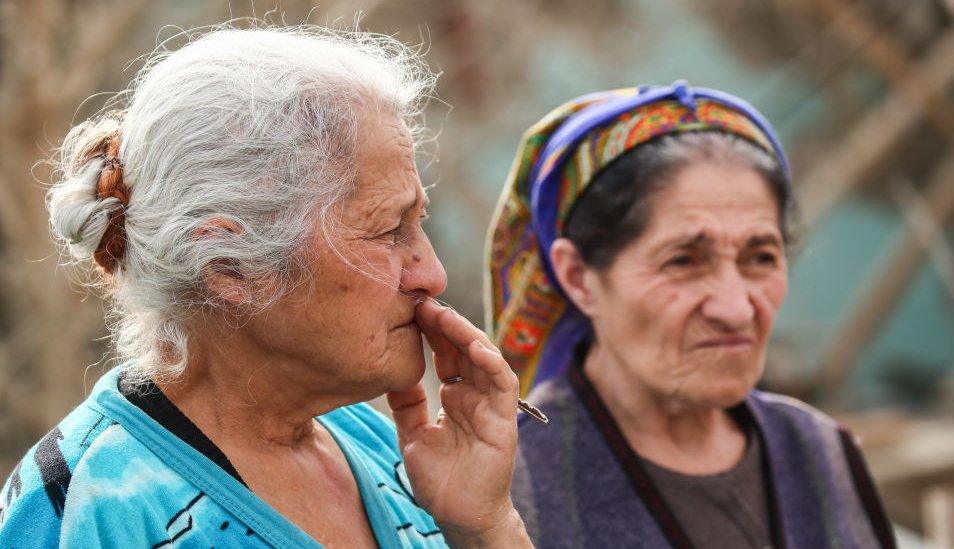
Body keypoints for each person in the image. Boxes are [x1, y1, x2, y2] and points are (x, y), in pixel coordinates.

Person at [0, 26, 532, 548]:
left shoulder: (384, 447)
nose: (431, 275)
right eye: (386, 230)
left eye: (419, 223)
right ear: (231, 266)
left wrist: (484, 527)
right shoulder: (91, 509)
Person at [486, 81, 896, 548]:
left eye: (760, 257)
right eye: (683, 261)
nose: (736, 308)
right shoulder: (505, 492)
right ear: (579, 276)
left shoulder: (818, 451)